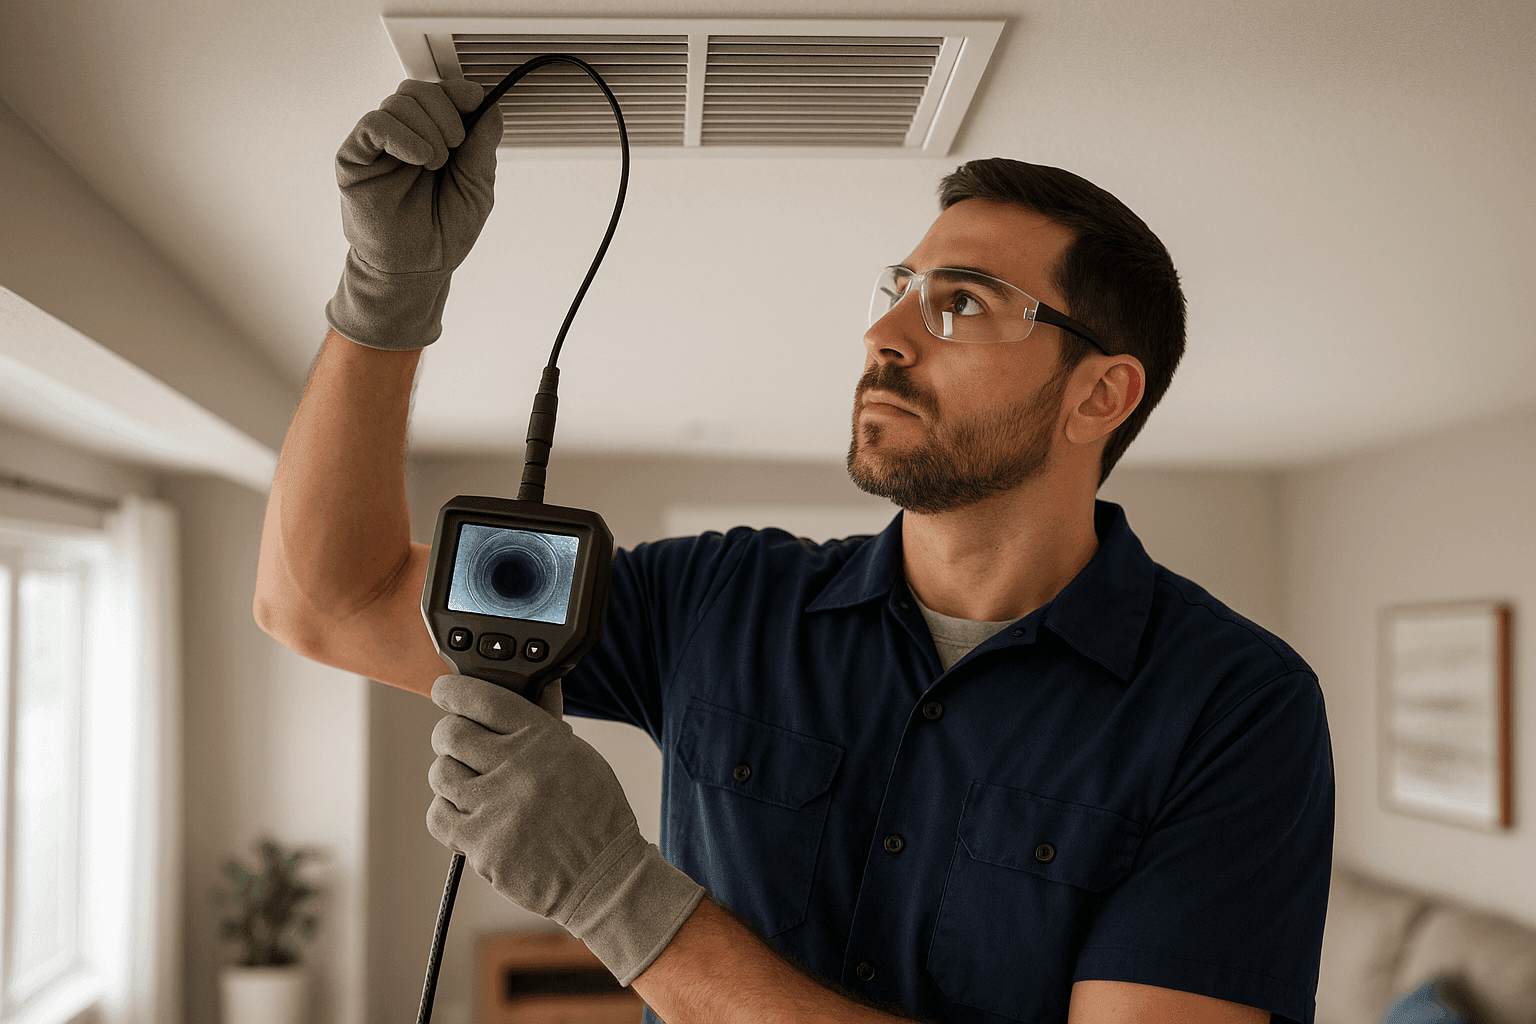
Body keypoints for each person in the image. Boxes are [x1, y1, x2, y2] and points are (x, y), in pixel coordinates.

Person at [255, 78, 1333, 1024]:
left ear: (1100, 392)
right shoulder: (721, 598)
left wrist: (614, 891)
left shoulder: (1233, 709)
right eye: (897, 289)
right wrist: (386, 291)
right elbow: (327, 603)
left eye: (959, 302)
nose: (886, 333)